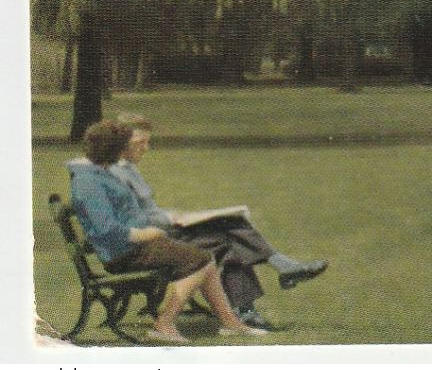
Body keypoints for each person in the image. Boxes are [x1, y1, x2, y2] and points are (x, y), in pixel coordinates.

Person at [100, 115, 326, 331]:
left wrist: (177, 215)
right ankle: (265, 289)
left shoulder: (126, 169)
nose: (146, 148)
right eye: (140, 143)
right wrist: (175, 219)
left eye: (147, 142)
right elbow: (134, 219)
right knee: (229, 238)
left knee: (231, 226)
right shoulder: (115, 174)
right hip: (148, 242)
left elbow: (147, 210)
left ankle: (265, 290)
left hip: (159, 232)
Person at [68, 120, 269, 344]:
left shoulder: (100, 174)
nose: (127, 151)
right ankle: (164, 323)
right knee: (201, 261)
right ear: (112, 149)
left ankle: (231, 324)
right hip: (124, 254)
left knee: (205, 261)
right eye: (124, 146)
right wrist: (147, 234)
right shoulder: (88, 182)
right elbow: (107, 229)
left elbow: (124, 215)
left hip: (135, 247)